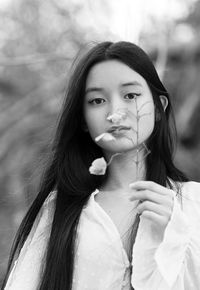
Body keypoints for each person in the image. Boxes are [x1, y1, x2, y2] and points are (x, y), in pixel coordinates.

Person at [2, 41, 200, 290]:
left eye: (131, 96)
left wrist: (177, 235)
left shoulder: (193, 203)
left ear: (159, 109)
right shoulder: (59, 211)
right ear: (83, 119)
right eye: (97, 101)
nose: (115, 111)